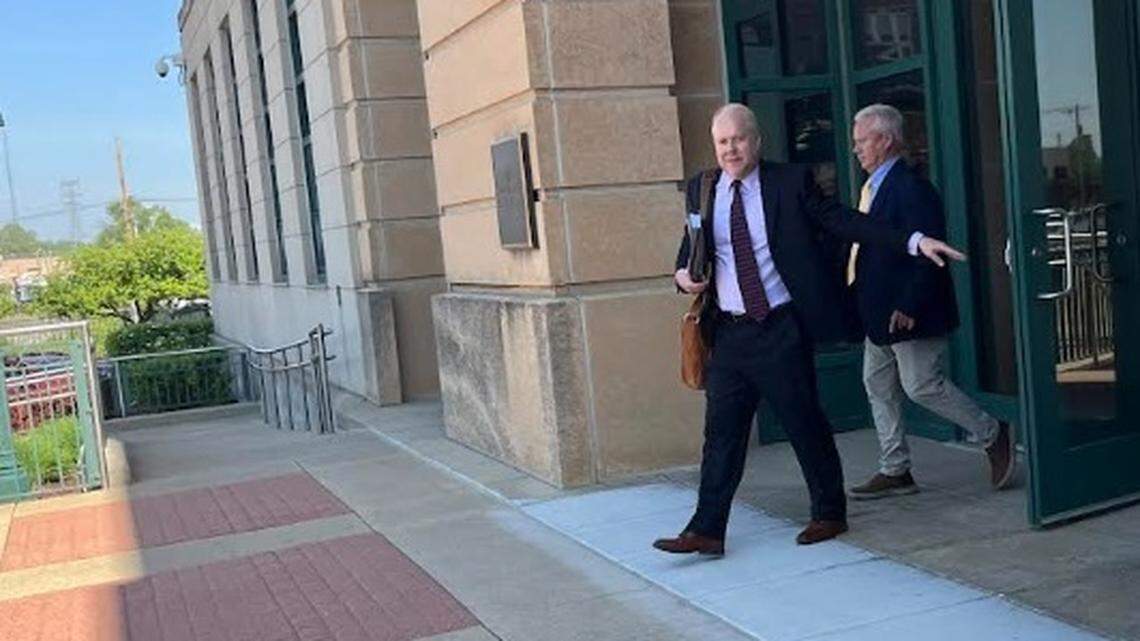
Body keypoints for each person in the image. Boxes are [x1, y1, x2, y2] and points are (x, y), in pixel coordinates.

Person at [652, 103, 965, 556]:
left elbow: (845, 221)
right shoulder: (703, 189)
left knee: (805, 425)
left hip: (779, 327)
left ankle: (828, 512)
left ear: (756, 141)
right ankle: (707, 528)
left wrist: (913, 241)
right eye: (722, 141)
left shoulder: (789, 183)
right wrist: (683, 277)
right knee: (721, 434)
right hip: (730, 334)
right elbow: (690, 250)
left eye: (738, 139)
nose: (731, 149)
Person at [844, 104, 1015, 500]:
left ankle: (992, 432)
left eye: (862, 142)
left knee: (921, 385)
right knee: (878, 384)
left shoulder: (911, 188)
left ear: (885, 140)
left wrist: (909, 304)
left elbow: (929, 253)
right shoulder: (872, 187)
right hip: (876, 312)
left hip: (906, 312)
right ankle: (895, 469)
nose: (857, 150)